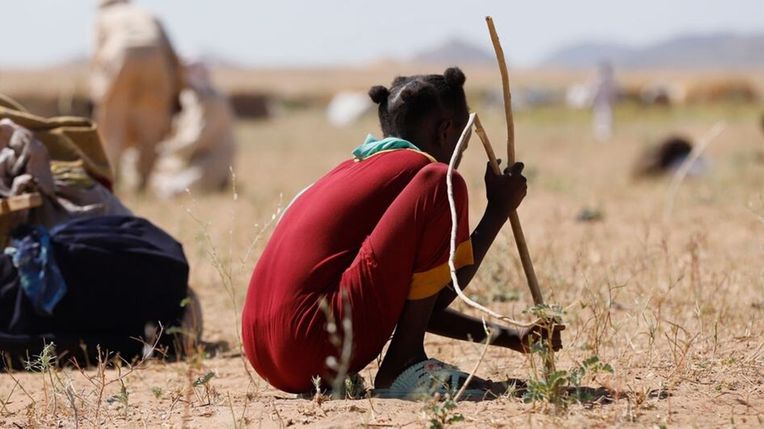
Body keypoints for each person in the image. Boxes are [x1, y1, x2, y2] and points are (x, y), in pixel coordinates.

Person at [241, 67, 563, 399]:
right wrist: (497, 211)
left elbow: (416, 302)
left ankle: (404, 362)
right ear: (445, 131)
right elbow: (442, 294)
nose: (459, 155)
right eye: (462, 145)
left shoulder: (348, 170)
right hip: (313, 344)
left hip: (263, 354)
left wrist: (512, 338)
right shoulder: (425, 175)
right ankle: (404, 365)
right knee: (443, 182)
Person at [90, 0, 184, 191]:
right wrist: (177, 90)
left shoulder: (104, 17)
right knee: (151, 127)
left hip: (120, 58)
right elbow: (172, 55)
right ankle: (143, 184)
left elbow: (98, 59)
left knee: (112, 127)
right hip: (156, 62)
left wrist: (97, 96)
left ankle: (111, 182)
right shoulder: (149, 15)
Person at [151, 61, 237, 198]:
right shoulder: (194, 98)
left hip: (210, 163)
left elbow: (198, 138)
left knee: (173, 190)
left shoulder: (211, 100)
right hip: (196, 161)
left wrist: (166, 149)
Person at [591, 62, 617, 142]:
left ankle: (603, 136)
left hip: (603, 105)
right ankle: (601, 136)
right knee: (602, 120)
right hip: (602, 105)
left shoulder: (605, 82)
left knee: (605, 120)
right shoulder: (604, 82)